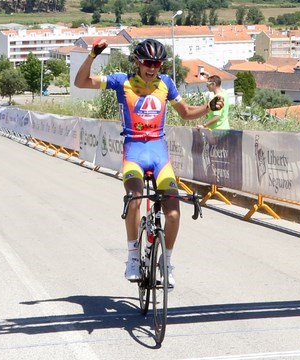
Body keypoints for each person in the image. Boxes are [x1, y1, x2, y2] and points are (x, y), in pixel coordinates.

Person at [74, 38, 223, 287]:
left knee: (174, 212)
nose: (152, 67)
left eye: (157, 63)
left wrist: (208, 107)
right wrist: (92, 56)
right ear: (137, 62)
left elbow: (185, 113)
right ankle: (132, 257)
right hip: (134, 152)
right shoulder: (122, 82)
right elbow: (81, 82)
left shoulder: (166, 84)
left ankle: (167, 261)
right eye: (147, 62)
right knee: (134, 199)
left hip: (159, 153)